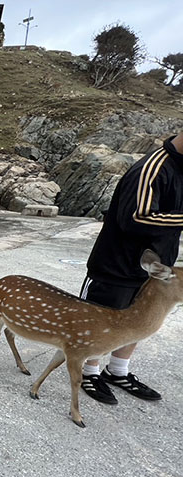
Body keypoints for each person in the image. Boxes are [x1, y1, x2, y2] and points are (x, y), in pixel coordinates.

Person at [80, 131, 183, 404]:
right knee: (104, 317)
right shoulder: (152, 168)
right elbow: (136, 218)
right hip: (118, 263)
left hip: (155, 264)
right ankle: (88, 371)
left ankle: (118, 371)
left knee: (140, 317)